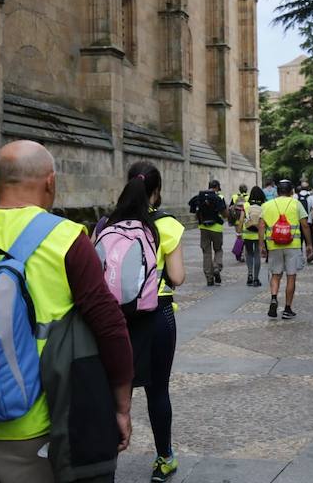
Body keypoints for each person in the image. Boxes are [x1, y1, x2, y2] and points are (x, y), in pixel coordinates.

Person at [0, 140, 132, 483]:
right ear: (51, 182)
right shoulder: (64, 238)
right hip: (29, 424)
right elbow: (110, 327)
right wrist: (121, 407)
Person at [102, 161, 186, 483]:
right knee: (157, 390)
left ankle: (107, 457)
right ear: (157, 190)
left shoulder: (106, 223)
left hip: (113, 319)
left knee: (115, 389)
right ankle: (164, 458)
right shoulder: (167, 225)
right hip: (156, 316)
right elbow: (176, 277)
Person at [259, 179, 313, 319]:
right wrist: (309, 244)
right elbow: (305, 225)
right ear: (291, 191)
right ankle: (287, 309)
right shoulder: (296, 204)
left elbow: (261, 226)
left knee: (276, 275)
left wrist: (261, 245)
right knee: (291, 276)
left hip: (273, 245)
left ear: (277, 192)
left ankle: (273, 297)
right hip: (293, 245)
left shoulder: (266, 205)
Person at [190, 179, 228, 286]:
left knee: (206, 253)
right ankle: (216, 267)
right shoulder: (219, 197)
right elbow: (225, 214)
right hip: (216, 228)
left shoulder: (199, 197)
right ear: (217, 188)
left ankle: (209, 278)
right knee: (218, 250)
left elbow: (195, 213)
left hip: (203, 228)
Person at [236, 186, 266, 286]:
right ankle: (256, 279)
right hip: (259, 234)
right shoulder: (264, 205)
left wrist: (239, 233)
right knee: (257, 255)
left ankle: (249, 275)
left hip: (247, 234)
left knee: (249, 254)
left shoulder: (246, 205)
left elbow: (241, 220)